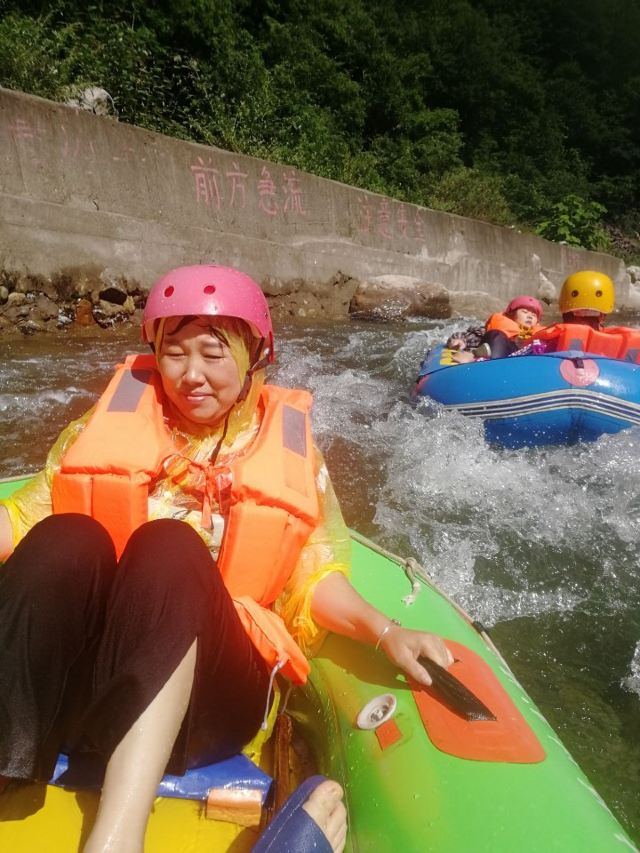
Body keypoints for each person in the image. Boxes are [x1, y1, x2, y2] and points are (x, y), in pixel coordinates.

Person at [0, 264, 452, 853]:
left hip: (210, 701)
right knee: (68, 534)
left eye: (213, 354)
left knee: (169, 545)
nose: (191, 375)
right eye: (174, 353)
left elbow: (313, 575)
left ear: (254, 356)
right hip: (96, 686)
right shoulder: (109, 421)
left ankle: (116, 839)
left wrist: (386, 631)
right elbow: (24, 521)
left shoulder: (291, 449)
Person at [447, 295, 544, 363]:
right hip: (498, 357)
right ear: (512, 315)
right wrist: (461, 340)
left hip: (522, 362)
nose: (530, 316)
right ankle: (476, 356)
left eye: (533, 315)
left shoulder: (540, 335)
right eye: (525, 312)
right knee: (496, 334)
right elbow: (474, 335)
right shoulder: (500, 328)